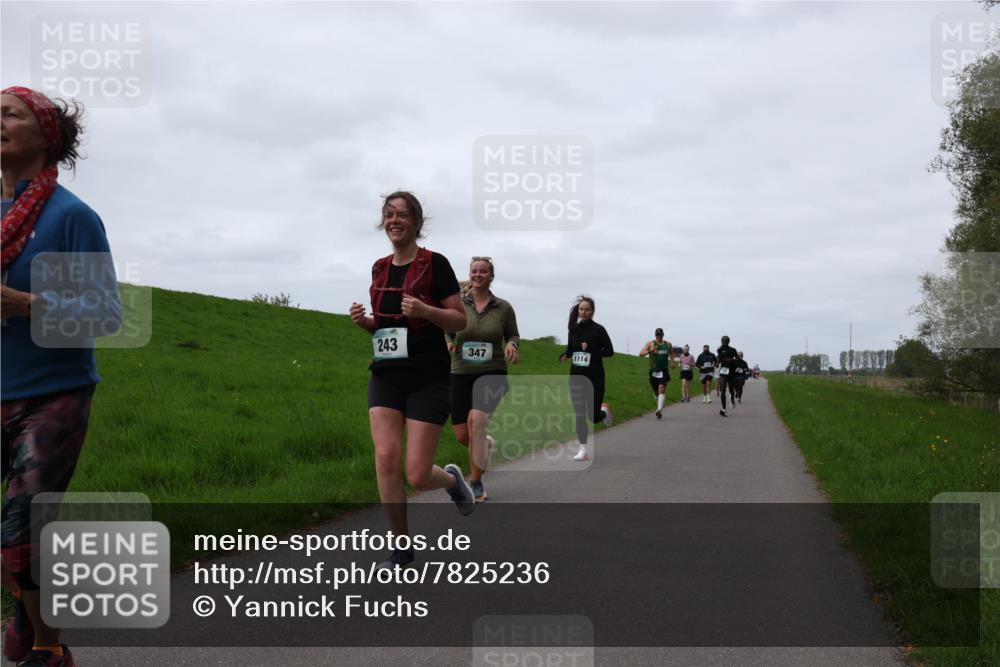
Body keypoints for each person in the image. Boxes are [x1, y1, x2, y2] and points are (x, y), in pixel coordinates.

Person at [1, 86, 122, 666]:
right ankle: (27, 618)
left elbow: (106, 314)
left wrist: (24, 304)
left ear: (46, 136)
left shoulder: (72, 216)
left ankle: (49, 650)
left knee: (20, 532)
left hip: (53, 394)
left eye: (9, 113)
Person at [349, 191, 472, 569]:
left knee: (417, 475)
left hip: (427, 376)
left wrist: (425, 309)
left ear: (417, 222)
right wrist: (366, 323)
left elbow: (460, 320)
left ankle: (452, 481)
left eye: (402, 215)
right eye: (388, 215)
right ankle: (401, 547)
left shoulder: (436, 264)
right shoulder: (379, 267)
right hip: (386, 373)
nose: (394, 220)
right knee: (385, 457)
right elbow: (387, 326)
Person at [446, 257, 520, 502]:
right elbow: (446, 327)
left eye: (483, 271)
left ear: (491, 276)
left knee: (476, 421)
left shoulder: (504, 308)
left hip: (492, 372)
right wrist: (447, 340)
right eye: (474, 271)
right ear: (470, 274)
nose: (478, 274)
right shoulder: (457, 303)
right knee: (462, 435)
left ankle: (475, 483)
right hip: (460, 372)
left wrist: (511, 345)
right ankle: (484, 445)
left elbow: (513, 335)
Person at [559, 296, 613, 461]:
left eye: (587, 309)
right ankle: (583, 449)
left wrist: (591, 349)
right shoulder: (573, 329)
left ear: (592, 311)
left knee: (592, 416)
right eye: (581, 309)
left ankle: (604, 411)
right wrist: (565, 355)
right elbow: (571, 349)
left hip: (595, 377)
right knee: (580, 414)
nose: (583, 312)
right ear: (578, 310)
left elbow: (609, 351)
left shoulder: (599, 330)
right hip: (576, 377)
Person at [639, 328, 674, 419]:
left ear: (663, 335)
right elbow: (641, 353)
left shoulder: (667, 344)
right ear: (655, 336)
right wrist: (649, 351)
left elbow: (671, 353)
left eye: (661, 335)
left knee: (661, 389)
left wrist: (672, 362)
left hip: (664, 370)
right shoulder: (650, 344)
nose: (659, 337)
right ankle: (660, 405)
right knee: (656, 391)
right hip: (653, 371)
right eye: (658, 335)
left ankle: (659, 410)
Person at [716, 335, 739, 417]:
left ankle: (732, 399)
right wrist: (717, 363)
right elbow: (719, 358)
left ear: (729, 341)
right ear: (721, 341)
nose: (724, 342)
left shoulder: (733, 350)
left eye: (726, 340)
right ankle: (724, 409)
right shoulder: (719, 349)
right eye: (723, 340)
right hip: (723, 371)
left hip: (731, 371)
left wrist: (732, 360)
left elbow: (737, 359)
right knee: (723, 390)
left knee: (731, 390)